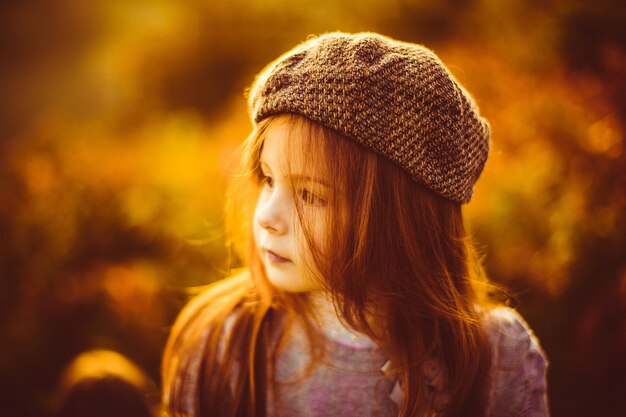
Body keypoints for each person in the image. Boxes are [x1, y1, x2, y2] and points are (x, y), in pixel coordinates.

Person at [161, 32, 549, 417]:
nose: (265, 217)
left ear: (398, 219)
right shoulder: (223, 340)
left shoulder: (497, 356)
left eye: (310, 195)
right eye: (268, 179)